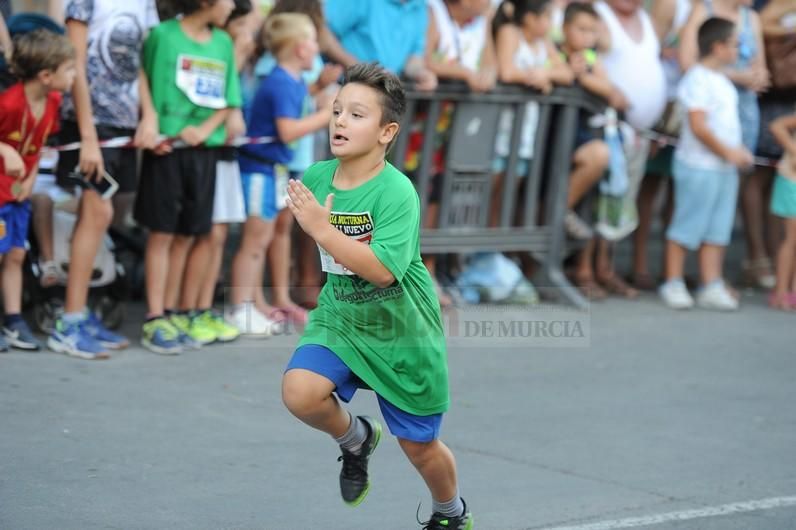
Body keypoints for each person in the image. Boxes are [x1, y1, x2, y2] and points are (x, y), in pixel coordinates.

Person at [281, 63, 474, 529]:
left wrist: (324, 231)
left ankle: (450, 513)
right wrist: (321, 236)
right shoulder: (318, 176)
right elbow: (328, 253)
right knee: (300, 393)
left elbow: (385, 272)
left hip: (401, 329)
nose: (340, 121)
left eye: (356, 114)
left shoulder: (397, 192)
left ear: (387, 131)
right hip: (342, 314)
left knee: (419, 448)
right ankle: (356, 439)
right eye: (336, 110)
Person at [47, 0, 158, 359]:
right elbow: (74, 61)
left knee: (102, 216)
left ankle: (79, 314)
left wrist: (149, 115)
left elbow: (137, 62)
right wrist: (88, 134)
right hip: (91, 124)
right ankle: (70, 321)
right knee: (97, 213)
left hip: (124, 122)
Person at [135, 0, 240, 354]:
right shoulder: (162, 36)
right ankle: (154, 316)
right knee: (162, 233)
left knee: (189, 235)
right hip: (166, 150)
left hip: (203, 152)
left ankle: (176, 312)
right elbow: (143, 80)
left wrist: (204, 128)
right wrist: (152, 123)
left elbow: (229, 98)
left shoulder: (223, 43)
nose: (232, 6)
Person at [227, 12, 332, 335]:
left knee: (264, 237)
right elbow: (287, 131)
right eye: (313, 41)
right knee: (254, 240)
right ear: (301, 49)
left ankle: (256, 303)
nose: (317, 47)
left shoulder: (293, 80)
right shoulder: (279, 82)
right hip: (258, 169)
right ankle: (239, 307)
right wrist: (327, 114)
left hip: (272, 169)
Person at [659, 17, 753, 310]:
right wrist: (728, 152)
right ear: (717, 46)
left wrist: (735, 153)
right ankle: (672, 280)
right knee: (687, 223)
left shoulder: (723, 80)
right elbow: (699, 126)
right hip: (699, 166)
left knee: (718, 228)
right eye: (735, 44)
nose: (740, 49)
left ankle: (710, 282)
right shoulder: (697, 78)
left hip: (723, 169)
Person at [680, 0, 772, 290]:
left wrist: (757, 76)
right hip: (707, 116)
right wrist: (736, 76)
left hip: (741, 113)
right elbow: (689, 62)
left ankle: (712, 277)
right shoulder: (702, 10)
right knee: (693, 205)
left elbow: (761, 66)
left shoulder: (751, 17)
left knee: (724, 202)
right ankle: (677, 274)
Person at [0, 29, 75, 352]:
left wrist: (29, 180)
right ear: (46, 75)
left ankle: (14, 320)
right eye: (69, 69)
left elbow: (39, 142)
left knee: (16, 254)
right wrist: (4, 150)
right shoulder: (9, 104)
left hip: (19, 194)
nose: (74, 76)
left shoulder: (53, 101)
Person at [594, 0, 667, 297]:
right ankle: (592, 269)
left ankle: (605, 268)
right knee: (603, 201)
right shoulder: (599, 15)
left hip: (640, 132)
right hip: (608, 128)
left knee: (622, 201)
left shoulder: (647, 21)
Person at [490, 0, 574, 228]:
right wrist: (536, 79)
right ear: (529, 17)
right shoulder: (510, 32)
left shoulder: (543, 42)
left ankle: (491, 248)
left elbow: (566, 73)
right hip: (500, 128)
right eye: (546, 16)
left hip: (525, 131)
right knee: (490, 189)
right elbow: (506, 72)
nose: (550, 23)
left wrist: (545, 75)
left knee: (508, 192)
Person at [557, 2, 616, 298]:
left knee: (599, 155)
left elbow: (609, 89)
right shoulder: (552, 51)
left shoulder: (592, 59)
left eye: (593, 31)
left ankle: (560, 209)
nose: (587, 36)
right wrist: (566, 70)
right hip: (549, 136)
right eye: (581, 29)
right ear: (564, 28)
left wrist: (583, 76)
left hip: (580, 136)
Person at [323, 0, 438, 91]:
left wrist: (420, 73)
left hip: (381, 95)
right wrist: (362, 69)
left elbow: (414, 56)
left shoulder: (420, 6)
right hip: (341, 87)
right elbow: (322, 32)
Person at [767, 112, 796, 310]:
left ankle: (791, 292)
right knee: (792, 238)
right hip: (791, 181)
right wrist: (794, 150)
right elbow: (777, 125)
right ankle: (781, 292)